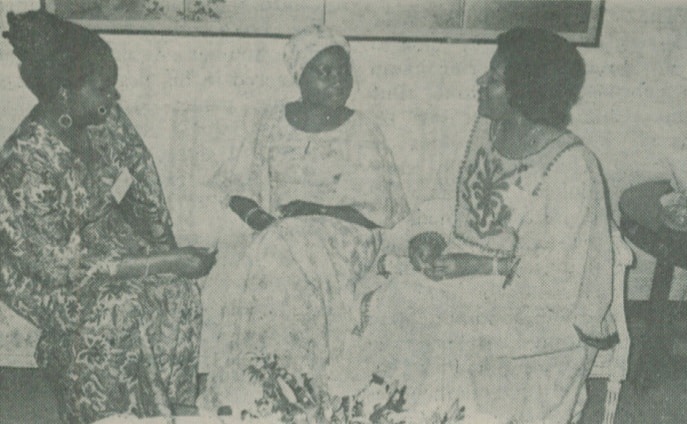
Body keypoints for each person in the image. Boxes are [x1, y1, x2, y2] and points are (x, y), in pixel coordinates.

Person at [335, 27, 616, 423]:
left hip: (529, 307)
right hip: (463, 275)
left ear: (526, 91)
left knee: (444, 332)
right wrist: (427, 236)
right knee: (395, 302)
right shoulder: (483, 131)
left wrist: (477, 266)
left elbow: (559, 277)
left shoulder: (571, 166)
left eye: (495, 78)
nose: (480, 82)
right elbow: (443, 202)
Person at [0, 10, 216, 423]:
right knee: (118, 306)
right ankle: (105, 412)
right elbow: (61, 266)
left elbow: (139, 174)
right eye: (103, 90)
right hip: (45, 277)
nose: (112, 98)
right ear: (64, 93)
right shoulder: (24, 162)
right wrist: (164, 261)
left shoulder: (101, 118)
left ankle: (163, 412)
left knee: (180, 291)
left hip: (104, 243)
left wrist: (167, 246)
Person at [198, 24, 409, 413]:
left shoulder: (363, 130)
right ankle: (267, 388)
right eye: (323, 71)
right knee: (277, 254)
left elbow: (378, 213)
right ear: (299, 76)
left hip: (347, 236)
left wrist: (316, 210)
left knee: (283, 250)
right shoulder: (271, 122)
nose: (337, 81)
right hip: (281, 235)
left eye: (343, 71)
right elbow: (236, 187)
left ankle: (303, 386)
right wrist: (258, 217)